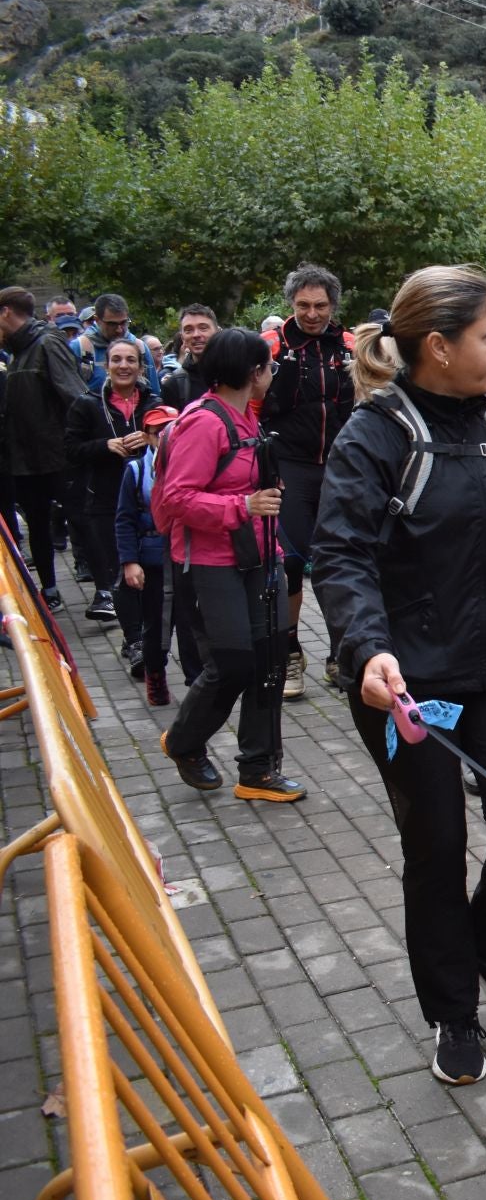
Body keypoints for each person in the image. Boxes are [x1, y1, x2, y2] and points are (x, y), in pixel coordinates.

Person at [313, 265, 486, 1087]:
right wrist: (365, 648)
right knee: (437, 846)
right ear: (439, 346)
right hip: (408, 681)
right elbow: (340, 554)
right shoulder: (376, 435)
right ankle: (453, 1010)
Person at [156, 328, 306, 805]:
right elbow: (177, 498)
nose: (273, 372)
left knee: (270, 661)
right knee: (234, 662)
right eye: (269, 365)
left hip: (259, 555)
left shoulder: (247, 416)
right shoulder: (205, 422)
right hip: (212, 561)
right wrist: (243, 506)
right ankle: (184, 740)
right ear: (252, 372)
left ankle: (258, 770)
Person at [260, 263, 356, 701]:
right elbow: (252, 408)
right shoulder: (272, 345)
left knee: (341, 561)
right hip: (291, 466)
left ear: (333, 305)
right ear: (291, 304)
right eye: (303, 306)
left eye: (320, 306)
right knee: (291, 564)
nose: (312, 314)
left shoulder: (349, 345)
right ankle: (290, 652)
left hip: (339, 465)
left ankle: (340, 655)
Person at [66, 336, 161, 656]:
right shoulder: (86, 404)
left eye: (130, 360)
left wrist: (150, 439)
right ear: (105, 365)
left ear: (141, 366)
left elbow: (174, 441)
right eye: (116, 359)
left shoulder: (154, 403)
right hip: (105, 500)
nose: (123, 366)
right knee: (121, 571)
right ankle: (134, 640)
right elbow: (70, 450)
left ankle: (145, 633)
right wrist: (103, 446)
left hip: (148, 500)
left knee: (149, 573)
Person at [0, 286, 88, 608]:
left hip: (58, 454)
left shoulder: (47, 342)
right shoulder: (16, 351)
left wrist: (80, 444)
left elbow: (75, 396)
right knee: (37, 524)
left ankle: (107, 588)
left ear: (6, 312)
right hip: (25, 459)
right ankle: (49, 590)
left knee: (80, 518)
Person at [117, 404, 200, 705]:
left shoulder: (195, 463)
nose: (166, 436)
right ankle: (155, 675)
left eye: (172, 429)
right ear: (147, 436)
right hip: (153, 559)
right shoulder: (137, 470)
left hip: (190, 556)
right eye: (158, 431)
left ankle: (197, 684)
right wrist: (130, 562)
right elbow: (125, 519)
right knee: (156, 624)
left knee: (192, 623)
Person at [70, 293, 162, 397]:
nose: (119, 330)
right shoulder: (79, 347)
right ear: (97, 320)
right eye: (112, 324)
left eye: (123, 323)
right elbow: (71, 396)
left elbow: (154, 395)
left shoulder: (140, 348)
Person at [162, 305, 219, 409]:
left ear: (217, 332)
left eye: (203, 328)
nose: (196, 335)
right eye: (188, 330)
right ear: (182, 338)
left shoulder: (237, 374)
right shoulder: (174, 384)